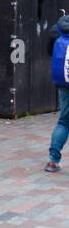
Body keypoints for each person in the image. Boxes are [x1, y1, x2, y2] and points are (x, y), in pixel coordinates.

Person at [46, 14, 69, 173]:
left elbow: (49, 51)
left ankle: (53, 161)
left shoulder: (58, 28)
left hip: (64, 81)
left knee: (64, 121)